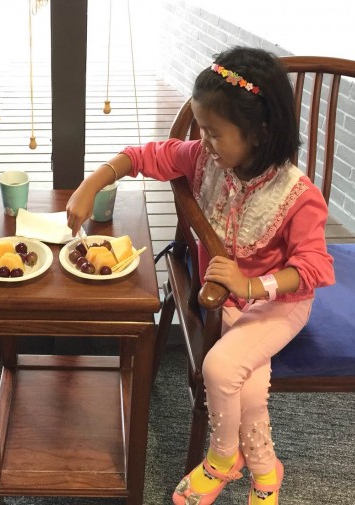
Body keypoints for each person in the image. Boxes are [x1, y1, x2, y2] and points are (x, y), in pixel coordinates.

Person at [66, 46, 335, 505]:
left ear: (258, 133)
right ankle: (266, 474)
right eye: (200, 128)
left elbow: (314, 268)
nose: (203, 142)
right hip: (230, 301)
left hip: (279, 303)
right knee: (249, 385)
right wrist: (94, 182)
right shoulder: (204, 160)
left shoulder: (297, 195)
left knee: (220, 367)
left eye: (213, 133)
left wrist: (252, 285)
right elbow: (144, 155)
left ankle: (221, 459)